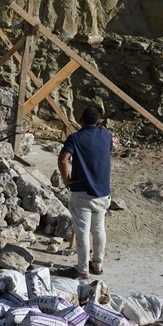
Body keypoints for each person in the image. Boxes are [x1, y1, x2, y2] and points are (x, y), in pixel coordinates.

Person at [58, 106, 114, 279]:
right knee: (98, 228)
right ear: (98, 121)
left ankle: (82, 270)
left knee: (82, 231)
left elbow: (63, 159)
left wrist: (66, 180)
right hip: (103, 192)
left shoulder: (75, 138)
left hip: (82, 192)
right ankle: (97, 265)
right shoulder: (106, 135)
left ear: (80, 120)